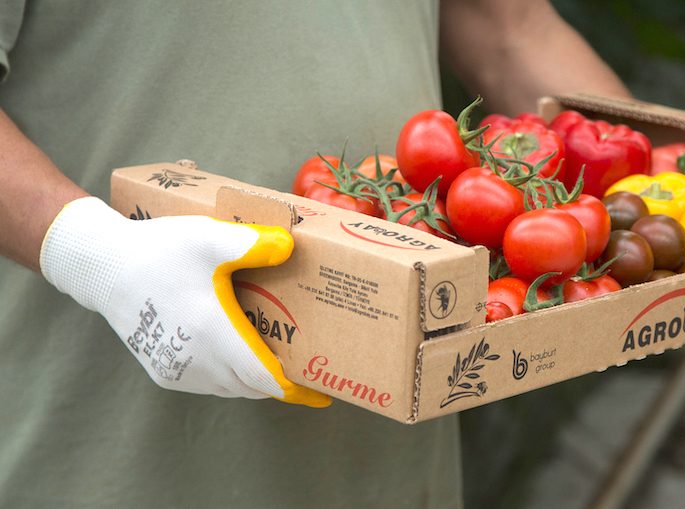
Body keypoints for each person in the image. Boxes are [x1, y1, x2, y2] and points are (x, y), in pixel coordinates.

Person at [0, 0, 629, 507]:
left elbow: (509, 27)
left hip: (390, 457)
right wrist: (93, 254)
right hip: (111, 455)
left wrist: (663, 185)